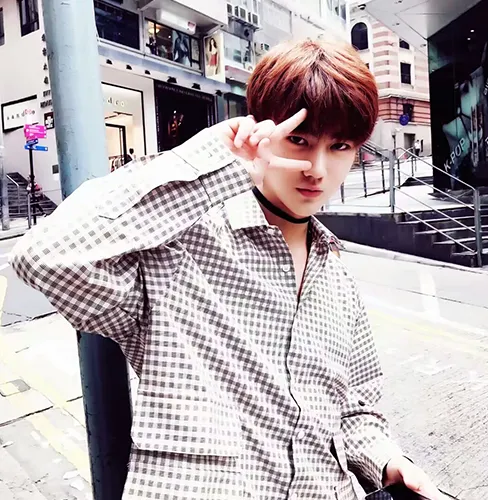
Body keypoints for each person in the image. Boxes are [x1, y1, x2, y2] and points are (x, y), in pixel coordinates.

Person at [10, 38, 446, 500]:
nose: (317, 169)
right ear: (259, 130)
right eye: (299, 139)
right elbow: (45, 256)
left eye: (339, 146)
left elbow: (354, 410)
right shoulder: (179, 248)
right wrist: (214, 159)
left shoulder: (337, 277)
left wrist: (388, 461)